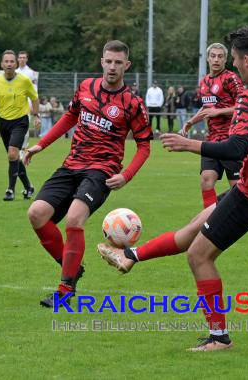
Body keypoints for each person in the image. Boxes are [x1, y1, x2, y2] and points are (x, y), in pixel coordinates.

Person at [99, 27, 248, 351]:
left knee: (199, 256)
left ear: (247, 60)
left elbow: (237, 147)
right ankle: (129, 255)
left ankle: (219, 337)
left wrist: (188, 144)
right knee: (195, 226)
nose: (233, 65)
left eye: (234, 59)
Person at [23, 40, 152, 307]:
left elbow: (144, 147)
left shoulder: (133, 103)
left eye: (118, 62)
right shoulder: (85, 88)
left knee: (74, 218)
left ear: (126, 65)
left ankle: (65, 289)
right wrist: (40, 144)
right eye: (108, 61)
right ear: (101, 61)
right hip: (72, 164)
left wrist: (126, 175)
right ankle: (71, 266)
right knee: (36, 214)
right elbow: (70, 117)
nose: (112, 67)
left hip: (101, 170)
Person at [180, 42, 245, 208]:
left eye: (220, 56)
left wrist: (219, 112)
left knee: (237, 188)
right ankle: (208, 219)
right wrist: (190, 122)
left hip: (230, 140)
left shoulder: (231, 78)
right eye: (213, 56)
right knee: (206, 181)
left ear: (225, 60)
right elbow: (206, 107)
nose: (216, 59)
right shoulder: (204, 82)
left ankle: (223, 215)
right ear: (208, 58)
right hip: (212, 139)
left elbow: (244, 106)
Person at [0, 50, 39, 201]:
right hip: (3, 122)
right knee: (14, 158)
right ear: (2, 64)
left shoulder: (24, 80)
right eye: (6, 61)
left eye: (12, 61)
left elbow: (35, 98)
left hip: (20, 121)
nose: (9, 64)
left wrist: (36, 116)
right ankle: (28, 187)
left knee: (12, 154)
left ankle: (10, 190)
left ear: (16, 64)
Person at [16, 51, 39, 154]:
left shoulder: (31, 73)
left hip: (26, 105)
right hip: (15, 105)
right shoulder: (14, 72)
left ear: (27, 59)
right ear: (17, 59)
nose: (22, 59)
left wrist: (32, 105)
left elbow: (34, 91)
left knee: (24, 128)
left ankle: (24, 148)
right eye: (20, 57)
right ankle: (17, 147)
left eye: (24, 57)